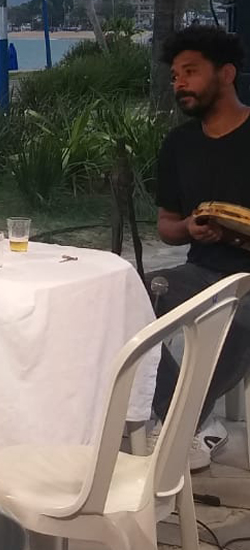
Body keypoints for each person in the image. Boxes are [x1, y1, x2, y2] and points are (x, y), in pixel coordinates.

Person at [148, 25, 250, 470]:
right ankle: (190, 421)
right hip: (200, 273)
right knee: (125, 299)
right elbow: (166, 227)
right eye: (174, 76)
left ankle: (179, 426)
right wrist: (190, 226)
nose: (179, 84)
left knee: (237, 317)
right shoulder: (179, 144)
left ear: (226, 73)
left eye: (190, 72)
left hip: (247, 285)